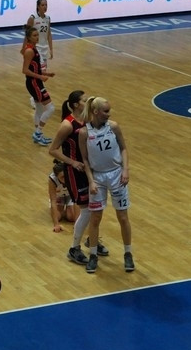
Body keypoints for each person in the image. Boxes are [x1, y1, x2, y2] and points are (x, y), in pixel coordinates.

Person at [49, 91, 110, 265]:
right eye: (84, 100)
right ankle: (74, 248)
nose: (87, 101)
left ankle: (92, 240)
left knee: (97, 208)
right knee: (87, 210)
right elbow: (52, 150)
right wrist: (72, 162)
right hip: (75, 173)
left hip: (91, 170)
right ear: (76, 104)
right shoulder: (67, 125)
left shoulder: (89, 120)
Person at [78, 96, 134, 273]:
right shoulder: (84, 133)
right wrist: (91, 180)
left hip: (116, 175)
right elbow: (85, 159)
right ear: (95, 112)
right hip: (98, 178)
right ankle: (93, 256)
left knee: (123, 217)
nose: (109, 114)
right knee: (95, 218)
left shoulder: (114, 127)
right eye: (106, 111)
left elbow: (124, 148)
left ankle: (128, 254)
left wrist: (125, 170)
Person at [22, 26, 55, 145]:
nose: (37, 37)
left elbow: (34, 69)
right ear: (29, 38)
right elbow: (25, 70)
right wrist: (41, 77)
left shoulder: (33, 49)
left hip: (35, 81)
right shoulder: (29, 51)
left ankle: (38, 135)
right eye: (34, 36)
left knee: (40, 109)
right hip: (34, 83)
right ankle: (38, 133)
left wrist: (46, 73)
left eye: (37, 35)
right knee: (51, 108)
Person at [49, 161, 79, 232]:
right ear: (56, 177)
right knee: (58, 217)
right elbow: (53, 200)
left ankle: (68, 209)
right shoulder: (52, 180)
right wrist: (56, 224)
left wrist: (77, 224)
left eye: (66, 176)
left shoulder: (73, 177)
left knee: (71, 217)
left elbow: (76, 200)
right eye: (62, 177)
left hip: (70, 196)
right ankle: (62, 209)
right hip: (59, 196)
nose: (65, 179)